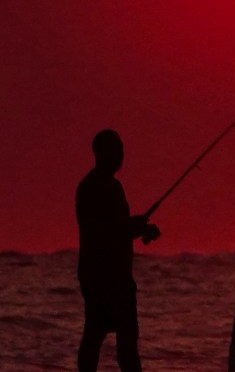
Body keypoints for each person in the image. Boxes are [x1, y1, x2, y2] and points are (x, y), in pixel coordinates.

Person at [76, 129, 161, 372]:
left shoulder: (106, 186)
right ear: (103, 153)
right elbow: (104, 230)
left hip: (109, 276)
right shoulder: (94, 188)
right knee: (104, 335)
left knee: (101, 334)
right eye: (118, 149)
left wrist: (139, 228)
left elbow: (117, 226)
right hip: (104, 277)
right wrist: (132, 227)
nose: (122, 154)